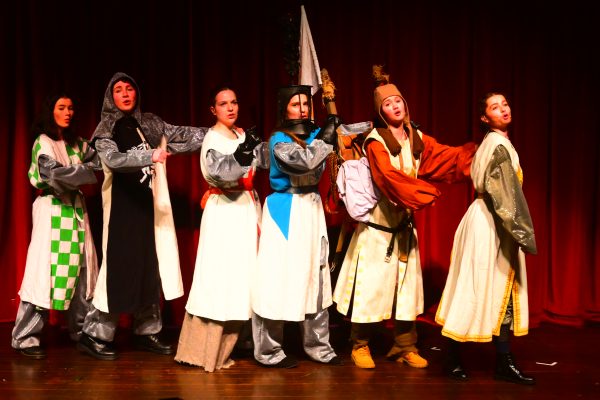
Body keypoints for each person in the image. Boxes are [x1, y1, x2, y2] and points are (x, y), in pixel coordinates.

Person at [332, 67, 477, 369]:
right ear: (380, 111)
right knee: (370, 288)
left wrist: (477, 155)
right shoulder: (375, 141)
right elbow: (388, 178)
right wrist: (422, 193)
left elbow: (443, 157)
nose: (395, 106)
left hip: (404, 228)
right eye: (388, 104)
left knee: (406, 289)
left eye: (398, 101)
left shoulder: (415, 137)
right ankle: (360, 344)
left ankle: (405, 345)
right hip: (377, 229)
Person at [77, 72, 207, 360]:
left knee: (151, 266)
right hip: (123, 209)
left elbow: (181, 135)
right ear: (110, 96)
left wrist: (218, 134)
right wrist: (149, 156)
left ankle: (147, 331)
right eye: (118, 90)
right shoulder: (106, 127)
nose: (125, 94)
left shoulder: (149, 123)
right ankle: (94, 334)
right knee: (119, 270)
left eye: (129, 88)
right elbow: (112, 160)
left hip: (149, 206)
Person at [435, 92, 537, 385]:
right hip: (491, 222)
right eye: (495, 107)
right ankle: (453, 356)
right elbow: (504, 195)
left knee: (501, 291)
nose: (503, 109)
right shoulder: (497, 146)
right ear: (484, 117)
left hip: (490, 219)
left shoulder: (493, 143)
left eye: (505, 104)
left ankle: (502, 361)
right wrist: (522, 231)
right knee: (474, 287)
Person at [174, 85, 266, 372]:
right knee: (220, 277)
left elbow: (260, 162)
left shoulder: (241, 134)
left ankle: (234, 343)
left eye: (234, 102)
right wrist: (244, 153)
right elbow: (221, 173)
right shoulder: (212, 139)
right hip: (224, 211)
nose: (230, 108)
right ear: (213, 110)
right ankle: (205, 351)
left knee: (241, 277)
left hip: (244, 209)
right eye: (223, 104)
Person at [251, 85, 342, 368]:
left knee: (316, 276)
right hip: (285, 210)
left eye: (306, 103)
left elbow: (347, 137)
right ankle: (269, 350)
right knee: (277, 277)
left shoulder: (316, 135)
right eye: (295, 104)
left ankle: (319, 346)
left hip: (311, 209)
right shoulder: (278, 140)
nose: (302, 109)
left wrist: (363, 127)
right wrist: (327, 137)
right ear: (284, 109)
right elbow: (305, 161)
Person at [12, 93, 100, 359]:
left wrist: (82, 171)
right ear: (50, 111)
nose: (68, 112)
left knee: (82, 271)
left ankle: (81, 331)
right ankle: (25, 337)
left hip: (75, 211)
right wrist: (84, 172)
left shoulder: (77, 143)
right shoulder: (44, 141)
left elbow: (98, 160)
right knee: (44, 272)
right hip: (53, 210)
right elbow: (54, 174)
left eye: (71, 108)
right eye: (61, 107)